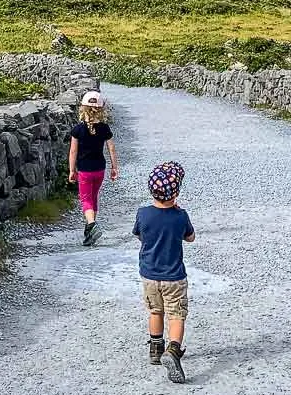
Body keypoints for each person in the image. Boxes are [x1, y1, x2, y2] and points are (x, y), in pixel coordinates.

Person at [133, 161, 194, 384]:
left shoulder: (143, 214)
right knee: (176, 314)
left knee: (155, 312)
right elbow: (190, 237)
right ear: (175, 192)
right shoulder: (180, 216)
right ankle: (174, 351)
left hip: (149, 275)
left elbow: (139, 235)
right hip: (174, 277)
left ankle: (156, 350)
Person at [67, 90, 118, 246]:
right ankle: (89, 233)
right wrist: (114, 167)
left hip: (84, 170)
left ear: (82, 108)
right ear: (101, 109)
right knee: (93, 197)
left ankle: (92, 225)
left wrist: (71, 170)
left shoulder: (78, 129)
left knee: (86, 199)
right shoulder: (104, 128)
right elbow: (111, 149)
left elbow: (73, 151)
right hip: (100, 169)